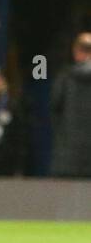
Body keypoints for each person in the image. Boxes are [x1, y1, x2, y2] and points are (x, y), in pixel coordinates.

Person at [51, 32, 91, 177]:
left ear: (76, 51)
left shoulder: (64, 78)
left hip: (66, 157)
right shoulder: (64, 78)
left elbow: (54, 112)